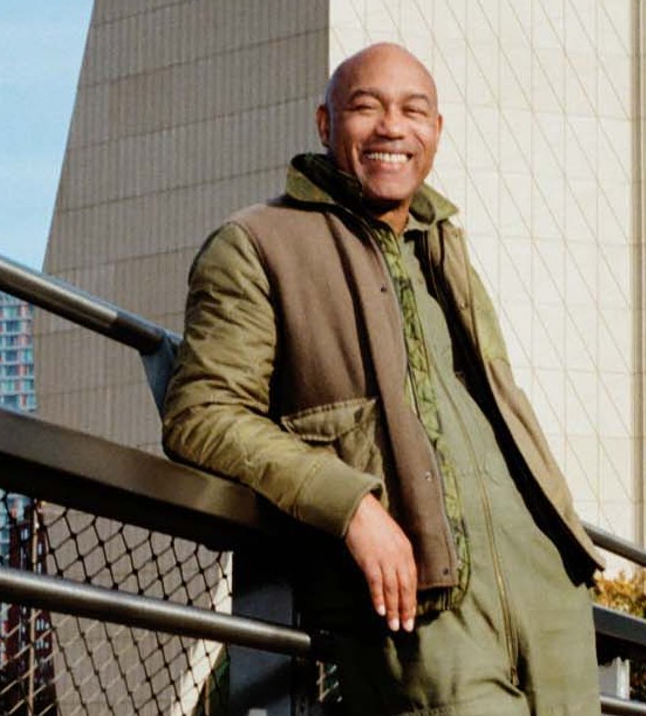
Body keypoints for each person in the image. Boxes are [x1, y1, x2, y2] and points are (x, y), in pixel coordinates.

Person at [162, 42, 603, 715]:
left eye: (413, 111)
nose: (392, 127)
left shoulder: (443, 245)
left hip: (551, 598)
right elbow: (202, 414)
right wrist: (352, 506)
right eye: (366, 108)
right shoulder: (256, 243)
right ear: (324, 123)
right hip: (423, 608)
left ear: (436, 130)